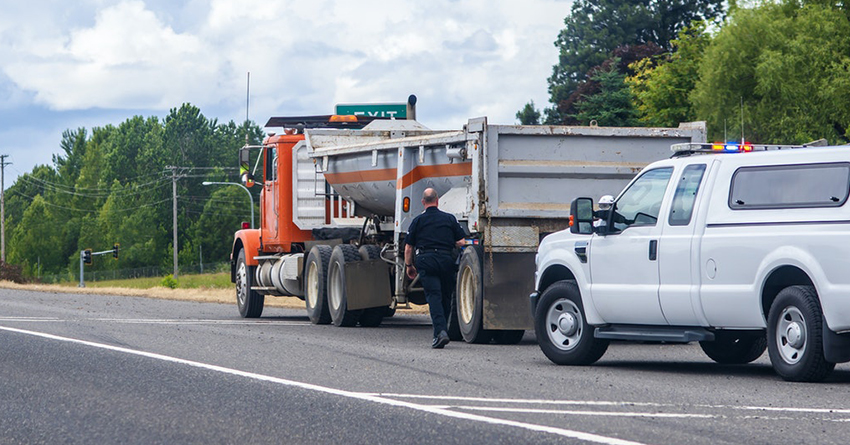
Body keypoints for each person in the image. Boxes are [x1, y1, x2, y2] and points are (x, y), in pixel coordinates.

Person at [405, 188, 466, 349]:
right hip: (446, 260)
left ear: (423, 202)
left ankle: (440, 332)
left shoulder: (418, 221)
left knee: (433, 296)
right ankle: (442, 330)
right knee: (446, 296)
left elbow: (408, 247)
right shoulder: (449, 219)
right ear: (437, 200)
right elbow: (461, 242)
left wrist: (409, 265)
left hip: (427, 260)